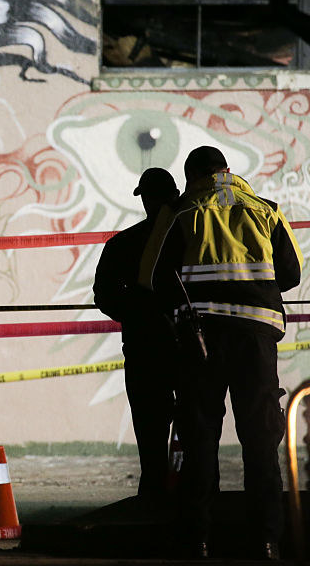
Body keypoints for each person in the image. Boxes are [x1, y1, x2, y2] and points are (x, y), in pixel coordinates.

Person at [139, 146, 303, 560]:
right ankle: (267, 541)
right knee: (260, 441)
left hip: (201, 339)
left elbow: (151, 277)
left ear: (192, 176)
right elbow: (291, 274)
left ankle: (198, 540)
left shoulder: (181, 211)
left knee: (201, 438)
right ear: (227, 171)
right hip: (256, 338)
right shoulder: (266, 210)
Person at [93, 167, 180, 498]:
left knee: (151, 435)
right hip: (189, 348)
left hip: (144, 349)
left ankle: (153, 500)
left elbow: (104, 296)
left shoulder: (123, 244)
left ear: (145, 198)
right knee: (198, 434)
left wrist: (139, 315)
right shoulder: (192, 239)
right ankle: (198, 502)